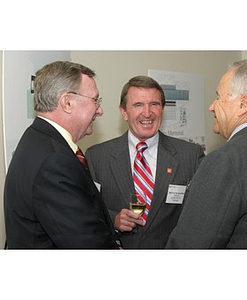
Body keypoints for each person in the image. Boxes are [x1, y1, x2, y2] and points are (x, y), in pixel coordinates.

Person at [166, 59, 247, 249]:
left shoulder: (225, 160)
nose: (211, 106)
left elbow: (190, 246)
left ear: (243, 104)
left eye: (218, 97)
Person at [4, 61, 121, 249]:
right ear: (67, 102)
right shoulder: (54, 160)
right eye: (95, 100)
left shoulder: (35, 139)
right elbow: (86, 244)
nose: (100, 110)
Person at [86, 75, 205, 249]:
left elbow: (201, 213)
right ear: (124, 112)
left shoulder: (190, 155)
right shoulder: (97, 157)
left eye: (154, 104)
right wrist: (114, 220)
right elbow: (88, 211)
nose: (147, 113)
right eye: (138, 105)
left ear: (162, 109)